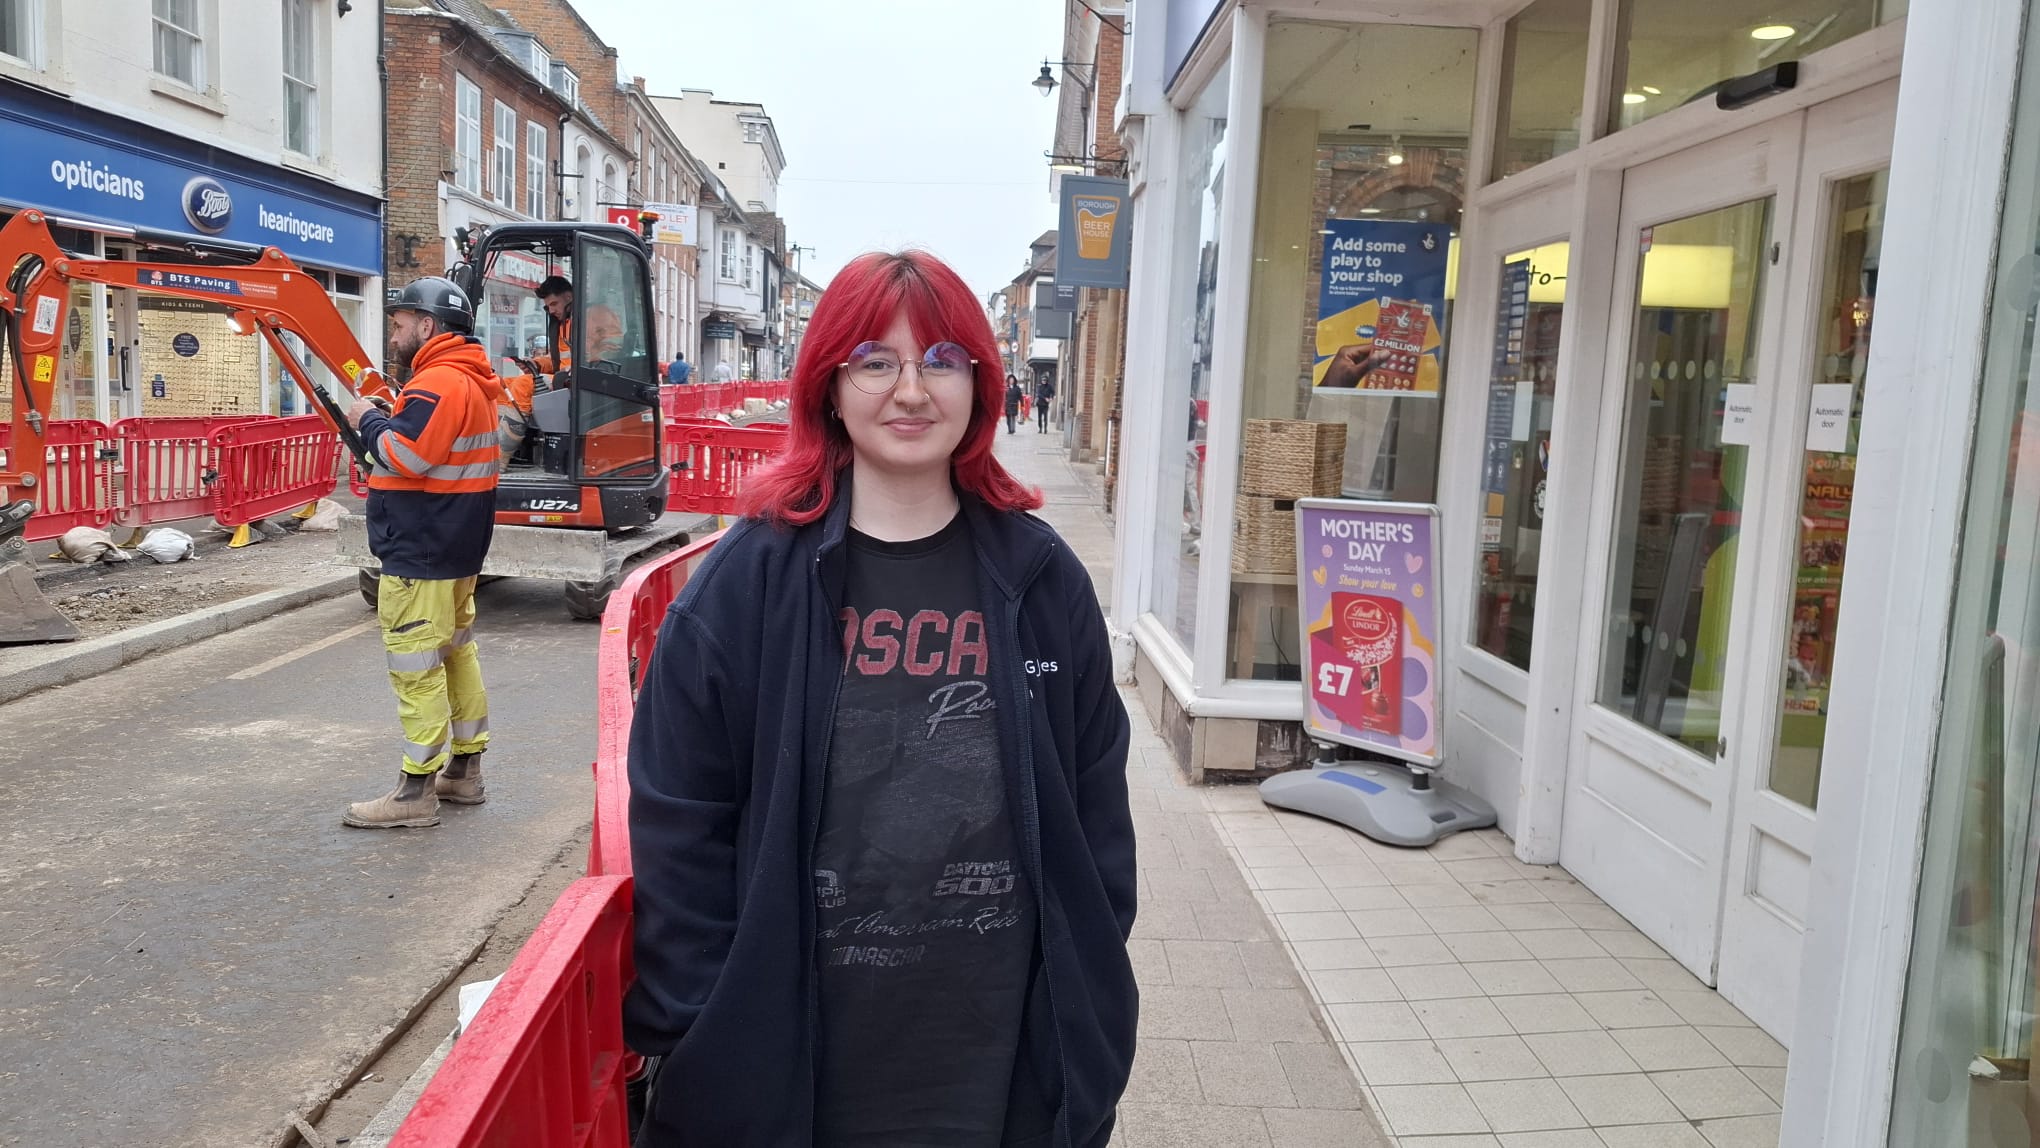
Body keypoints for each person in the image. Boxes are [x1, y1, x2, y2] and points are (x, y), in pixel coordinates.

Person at [624, 250, 1137, 1147]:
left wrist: (1090, 983)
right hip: (794, 1062)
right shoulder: (747, 587)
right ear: (828, 384)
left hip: (1005, 1061)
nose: (911, 390)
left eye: (942, 360)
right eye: (876, 361)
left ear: (981, 383)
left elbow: (1096, 801)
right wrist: (699, 1022)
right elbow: (681, 818)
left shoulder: (1040, 579)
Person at [343, 277, 507, 828]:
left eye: (398, 324)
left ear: (427, 326)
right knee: (456, 652)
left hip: (422, 548)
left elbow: (405, 456)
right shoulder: (471, 382)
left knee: (415, 664)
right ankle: (463, 772)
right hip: (456, 547)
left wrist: (366, 419)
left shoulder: (436, 382)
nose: (393, 335)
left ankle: (414, 793)